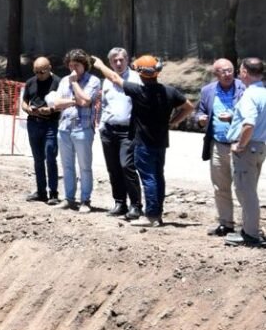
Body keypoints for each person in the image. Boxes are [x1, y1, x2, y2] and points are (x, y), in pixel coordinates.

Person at [90, 54, 193, 227]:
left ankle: (151, 215)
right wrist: (174, 121)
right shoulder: (169, 91)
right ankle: (157, 213)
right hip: (161, 142)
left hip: (143, 142)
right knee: (158, 177)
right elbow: (188, 107)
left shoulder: (139, 91)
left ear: (140, 73)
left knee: (148, 178)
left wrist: (100, 65)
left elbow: (114, 78)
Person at [195, 58, 246, 237]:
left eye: (230, 70)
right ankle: (226, 223)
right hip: (217, 145)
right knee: (220, 187)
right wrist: (200, 119)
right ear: (216, 74)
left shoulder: (244, 88)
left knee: (243, 187)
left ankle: (248, 227)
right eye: (222, 71)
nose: (227, 74)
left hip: (240, 146)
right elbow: (200, 111)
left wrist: (233, 117)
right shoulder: (208, 91)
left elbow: (251, 116)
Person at [51, 49, 101, 212]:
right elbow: (56, 103)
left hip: (83, 128)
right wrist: (74, 100)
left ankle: (85, 200)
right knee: (67, 166)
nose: (73, 69)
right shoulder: (64, 80)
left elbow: (86, 101)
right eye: (70, 65)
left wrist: (74, 83)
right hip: (64, 128)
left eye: (77, 66)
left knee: (84, 166)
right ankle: (69, 198)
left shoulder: (93, 81)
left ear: (84, 65)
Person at [224, 58, 266, 246]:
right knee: (249, 190)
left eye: (240, 70)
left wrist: (241, 145)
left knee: (245, 191)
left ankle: (250, 234)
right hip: (259, 147)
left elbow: (249, 123)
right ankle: (250, 229)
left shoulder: (250, 95)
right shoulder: (263, 93)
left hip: (248, 148)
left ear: (244, 73)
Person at [99, 47, 143, 220]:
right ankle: (119, 202)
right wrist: (101, 125)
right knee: (113, 168)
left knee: (127, 166)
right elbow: (104, 104)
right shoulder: (107, 81)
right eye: (114, 60)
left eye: (121, 60)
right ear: (110, 62)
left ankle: (136, 205)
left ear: (127, 60)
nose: (118, 63)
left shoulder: (135, 78)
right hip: (108, 130)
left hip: (128, 131)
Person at [21, 57, 60, 205]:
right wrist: (27, 109)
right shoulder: (30, 82)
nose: (39, 75)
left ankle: (54, 193)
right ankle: (41, 191)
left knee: (50, 156)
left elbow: (63, 102)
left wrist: (50, 110)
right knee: (38, 160)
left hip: (50, 123)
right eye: (36, 72)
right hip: (33, 124)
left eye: (42, 72)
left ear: (49, 68)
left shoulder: (58, 82)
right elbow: (24, 101)